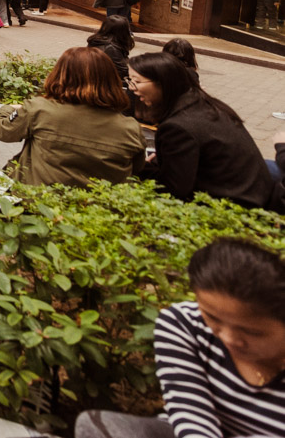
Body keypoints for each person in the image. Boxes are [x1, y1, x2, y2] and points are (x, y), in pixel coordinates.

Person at [75, 238, 285, 438]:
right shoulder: (184, 324)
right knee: (95, 424)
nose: (229, 339)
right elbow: (194, 421)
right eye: (213, 318)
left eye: (251, 332)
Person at [128, 52, 285, 212]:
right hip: (254, 191)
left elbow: (174, 189)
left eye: (136, 82)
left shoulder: (179, 126)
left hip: (235, 206)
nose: (131, 88)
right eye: (130, 80)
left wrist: (142, 167)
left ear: (163, 83)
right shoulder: (200, 102)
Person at [0, 46, 145, 187]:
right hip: (100, 211)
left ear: (60, 76)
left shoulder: (40, 110)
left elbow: (2, 131)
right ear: (111, 80)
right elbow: (136, 169)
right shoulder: (130, 128)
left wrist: (8, 109)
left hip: (37, 203)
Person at [86, 14, 135, 89]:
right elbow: (123, 71)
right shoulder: (111, 48)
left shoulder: (97, 40)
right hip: (105, 82)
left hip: (96, 78)